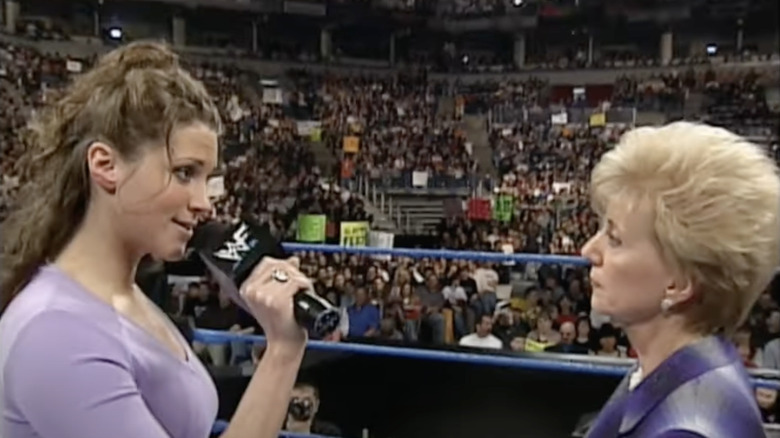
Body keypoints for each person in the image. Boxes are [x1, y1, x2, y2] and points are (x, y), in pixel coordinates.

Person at [0, 42, 312, 438]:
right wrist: (281, 356)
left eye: (207, 179)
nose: (204, 204)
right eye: (184, 173)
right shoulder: (56, 332)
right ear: (105, 166)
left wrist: (284, 346)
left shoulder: (120, 297)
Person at [581, 122, 779, 438]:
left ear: (679, 283)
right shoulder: (664, 368)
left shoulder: (686, 431)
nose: (589, 250)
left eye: (615, 239)